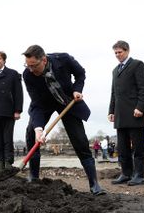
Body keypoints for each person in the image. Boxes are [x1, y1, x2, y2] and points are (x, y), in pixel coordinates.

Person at [22, 45, 106, 196]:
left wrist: (77, 89)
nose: (30, 69)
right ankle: (33, 178)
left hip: (67, 101)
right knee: (31, 134)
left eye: (33, 65)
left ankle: (94, 184)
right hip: (44, 103)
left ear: (44, 60)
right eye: (27, 65)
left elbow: (80, 74)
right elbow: (37, 103)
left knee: (79, 140)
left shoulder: (64, 60)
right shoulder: (28, 75)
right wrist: (38, 129)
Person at [108, 40, 144, 186]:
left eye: (120, 52)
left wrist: (140, 107)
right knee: (122, 147)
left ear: (127, 51)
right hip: (120, 114)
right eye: (115, 53)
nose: (117, 55)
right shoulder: (115, 70)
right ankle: (126, 173)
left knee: (138, 146)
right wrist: (111, 111)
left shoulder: (137, 65)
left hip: (134, 112)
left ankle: (139, 174)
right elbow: (114, 93)